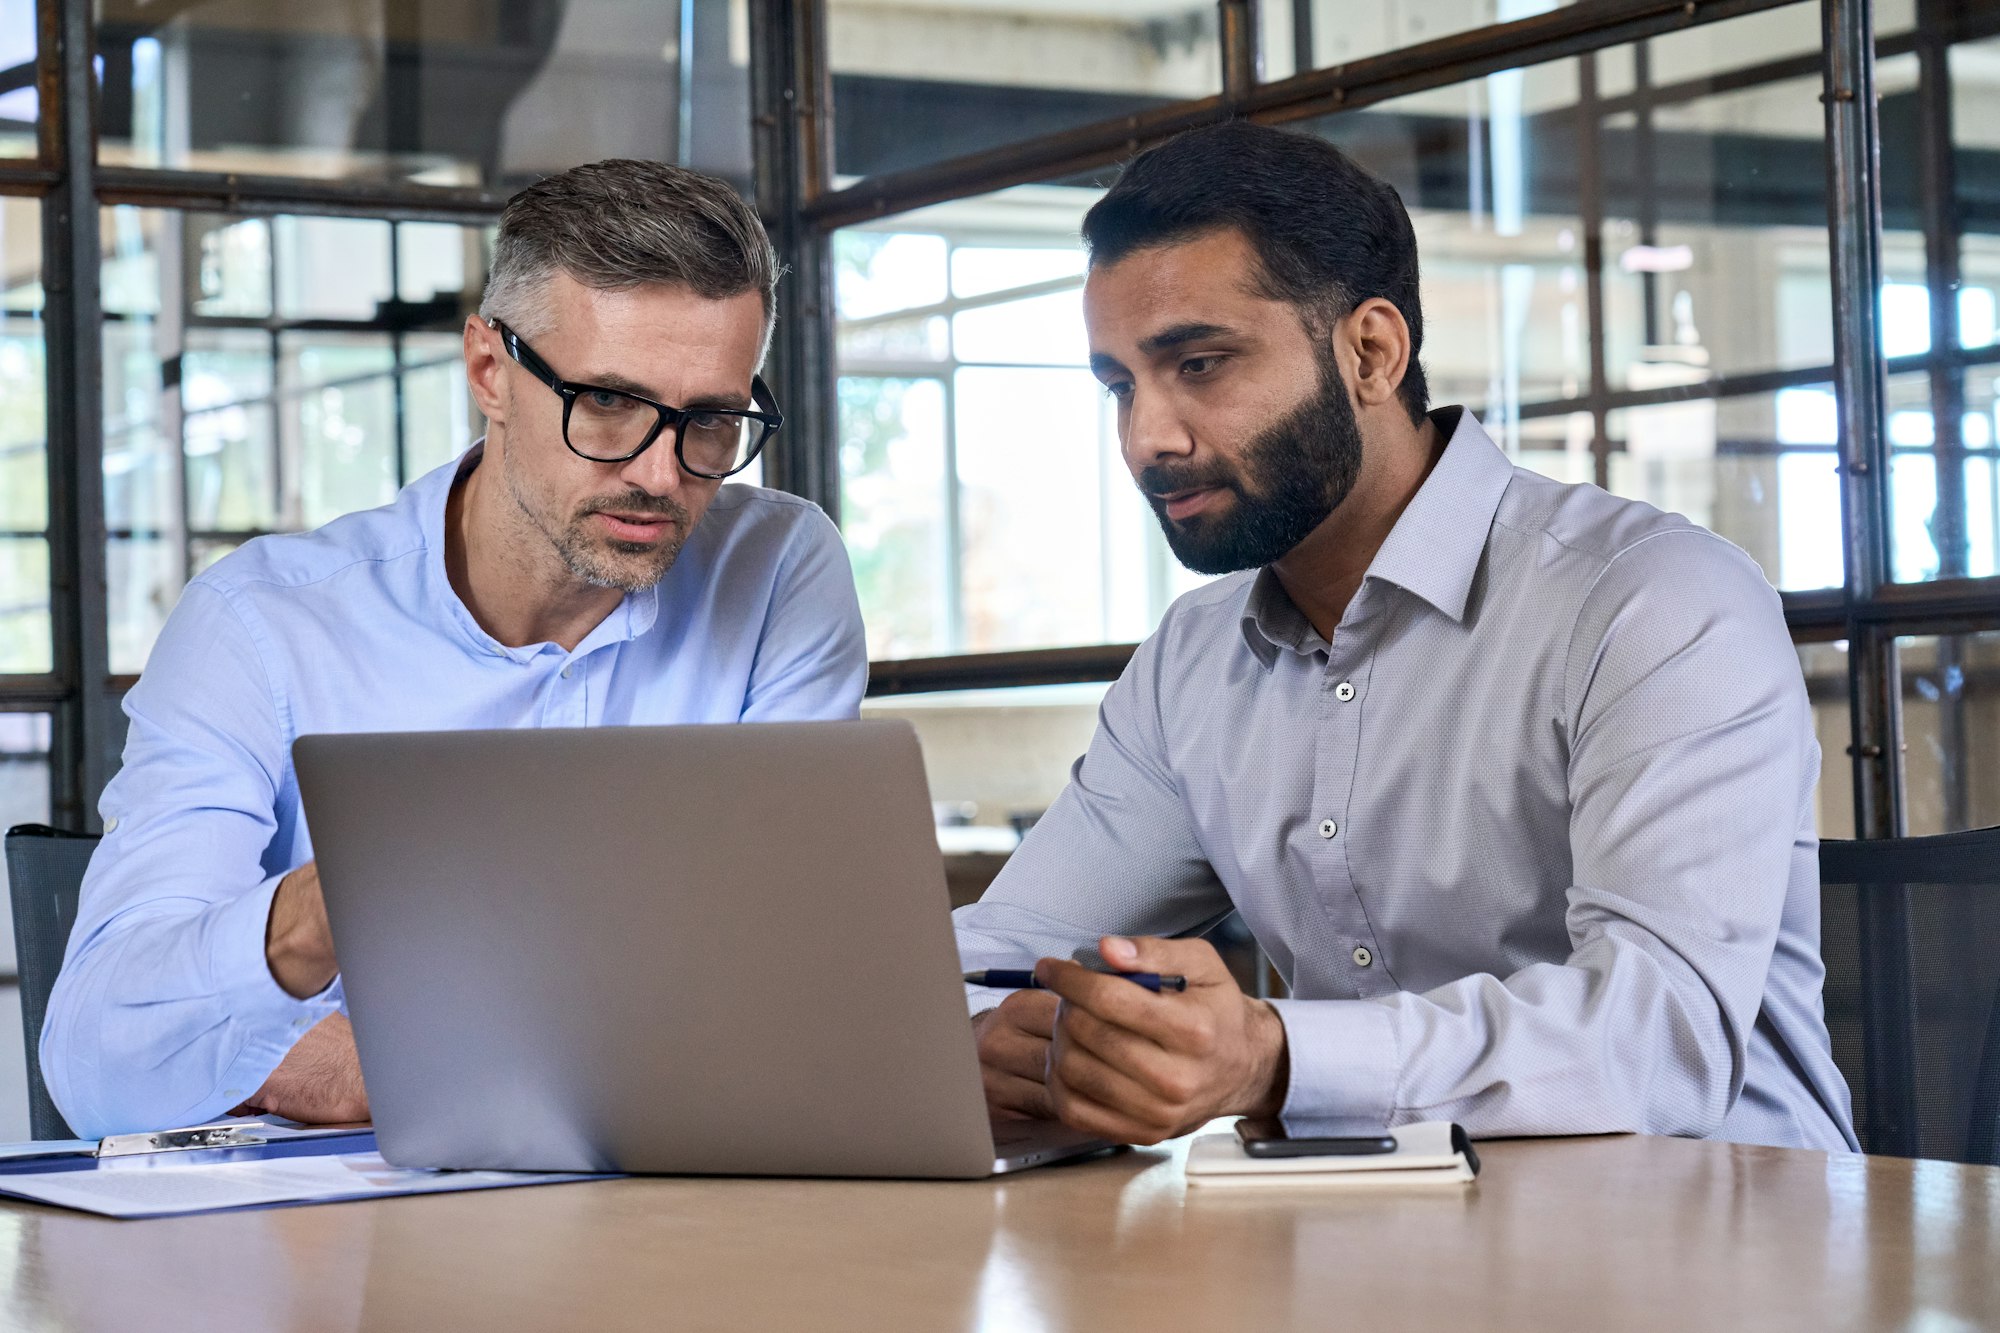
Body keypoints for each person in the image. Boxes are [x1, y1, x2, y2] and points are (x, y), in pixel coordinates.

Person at [958, 121, 1858, 1152]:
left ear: (1370, 353)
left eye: (1198, 364)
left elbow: (1658, 1040)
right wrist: (993, 1035)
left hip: (1726, 1256)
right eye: (1118, 386)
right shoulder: (1192, 662)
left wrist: (1273, 1057)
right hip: (1381, 1250)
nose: (1146, 438)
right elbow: (1001, 948)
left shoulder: (1649, 601)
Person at [44, 160, 868, 1137]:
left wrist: (392, 1060)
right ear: (489, 372)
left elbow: (780, 996)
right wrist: (305, 927)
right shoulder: (257, 626)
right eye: (605, 402)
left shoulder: (777, 569)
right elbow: (92, 1060)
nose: (660, 473)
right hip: (340, 1251)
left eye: (711, 420)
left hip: (667, 1214)